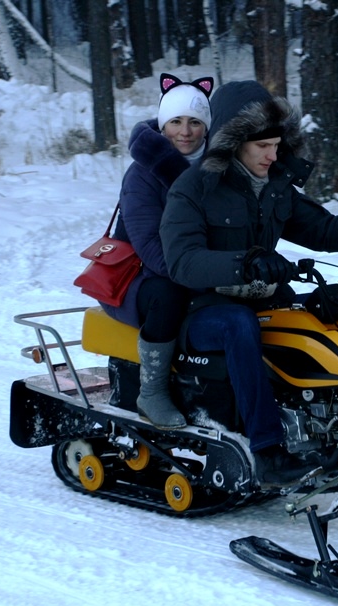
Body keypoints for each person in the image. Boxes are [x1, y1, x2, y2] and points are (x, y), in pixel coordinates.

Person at [159, 80, 338, 486]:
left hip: (263, 295)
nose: (273, 154)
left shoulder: (273, 186)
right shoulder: (193, 189)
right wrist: (245, 264)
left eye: (277, 144)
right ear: (235, 141)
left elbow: (323, 227)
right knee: (240, 325)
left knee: (332, 313)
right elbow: (183, 262)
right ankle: (268, 453)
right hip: (202, 310)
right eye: (262, 145)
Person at [101, 73, 214, 430]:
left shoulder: (219, 167)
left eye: (195, 122)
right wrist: (208, 275)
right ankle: (152, 392)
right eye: (176, 121)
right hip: (137, 278)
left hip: (194, 268)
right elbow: (149, 247)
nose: (185, 131)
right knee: (168, 296)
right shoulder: (142, 174)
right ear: (163, 124)